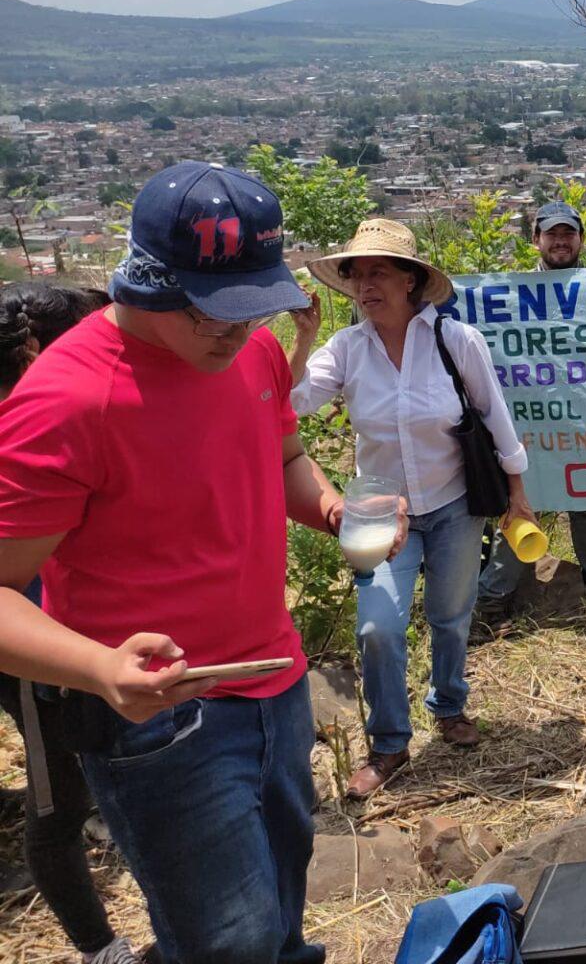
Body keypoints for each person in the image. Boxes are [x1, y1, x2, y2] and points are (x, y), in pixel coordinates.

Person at [0, 161, 378, 964]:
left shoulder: (252, 357)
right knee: (225, 943)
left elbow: (280, 461)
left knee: (279, 908)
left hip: (276, 682)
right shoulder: (65, 401)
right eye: (218, 313)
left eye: (255, 309)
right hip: (160, 722)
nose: (240, 332)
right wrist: (101, 667)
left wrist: (335, 509)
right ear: (148, 280)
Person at [292, 218, 533, 799]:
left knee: (451, 615)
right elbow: (292, 401)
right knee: (378, 627)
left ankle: (449, 706)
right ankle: (389, 743)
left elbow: (495, 417)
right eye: (356, 274)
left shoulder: (456, 341)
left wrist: (517, 497)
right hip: (375, 508)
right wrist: (302, 340)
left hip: (454, 503)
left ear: (411, 281)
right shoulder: (346, 349)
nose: (365, 284)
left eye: (379, 272)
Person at [0, 284, 138, 964]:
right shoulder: (31, 426)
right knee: (56, 801)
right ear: (33, 351)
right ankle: (99, 947)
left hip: (69, 634)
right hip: (35, 646)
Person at [477, 202, 586, 621]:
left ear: (580, 240)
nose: (560, 241)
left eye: (568, 233)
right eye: (551, 234)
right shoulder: (511, 292)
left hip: (584, 418)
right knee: (522, 505)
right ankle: (492, 598)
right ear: (535, 241)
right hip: (527, 423)